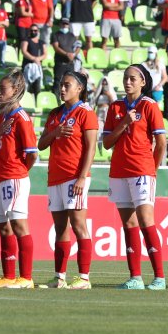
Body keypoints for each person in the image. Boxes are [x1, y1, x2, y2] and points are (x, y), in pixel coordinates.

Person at [102, 64, 168, 290]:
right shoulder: (116, 107)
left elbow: (161, 143)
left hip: (141, 170)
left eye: (132, 78)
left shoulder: (150, 106)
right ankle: (136, 277)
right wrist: (124, 123)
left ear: (143, 82)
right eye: (125, 78)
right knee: (128, 224)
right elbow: (107, 143)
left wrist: (153, 168)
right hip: (119, 170)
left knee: (146, 222)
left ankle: (159, 277)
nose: (127, 82)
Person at [37, 71, 98, 289]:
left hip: (74, 177)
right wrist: (54, 133)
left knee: (79, 225)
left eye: (67, 85)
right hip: (55, 177)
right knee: (60, 227)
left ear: (79, 88)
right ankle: (59, 278)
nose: (62, 89)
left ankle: (84, 277)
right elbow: (41, 144)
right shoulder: (54, 114)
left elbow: (91, 147)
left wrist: (82, 177)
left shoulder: (86, 113)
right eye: (61, 85)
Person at [0, 69, 39, 288]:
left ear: (15, 90)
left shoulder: (22, 118)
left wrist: (21, 170)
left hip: (14, 178)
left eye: (3, 89)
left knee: (19, 225)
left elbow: (32, 153)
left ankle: (25, 277)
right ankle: (7, 276)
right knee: (2, 227)